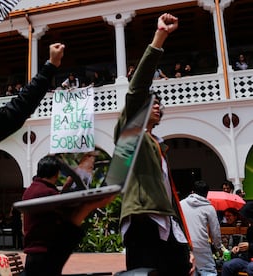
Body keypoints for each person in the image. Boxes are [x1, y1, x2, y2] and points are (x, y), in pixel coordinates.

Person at [115, 13, 195, 275]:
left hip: (168, 222)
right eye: (153, 103)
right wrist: (159, 37)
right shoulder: (131, 134)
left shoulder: (157, 144)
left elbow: (170, 195)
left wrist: (188, 243)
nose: (158, 106)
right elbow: (136, 89)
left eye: (160, 103)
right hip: (143, 220)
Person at [22, 155, 114, 276]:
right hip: (45, 253)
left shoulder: (31, 190)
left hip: (33, 254)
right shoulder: (48, 193)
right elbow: (67, 214)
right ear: (56, 174)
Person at [180, 180, 222, 276]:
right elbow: (215, 231)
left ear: (192, 192)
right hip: (201, 244)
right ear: (207, 194)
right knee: (208, 271)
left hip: (185, 245)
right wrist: (218, 247)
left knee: (191, 271)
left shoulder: (181, 204)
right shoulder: (209, 208)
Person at [221, 202, 253, 276]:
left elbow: (249, 245)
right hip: (247, 259)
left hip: (250, 264)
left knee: (250, 267)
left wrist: (249, 246)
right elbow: (247, 245)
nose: (246, 220)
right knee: (227, 265)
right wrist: (239, 248)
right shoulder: (250, 229)